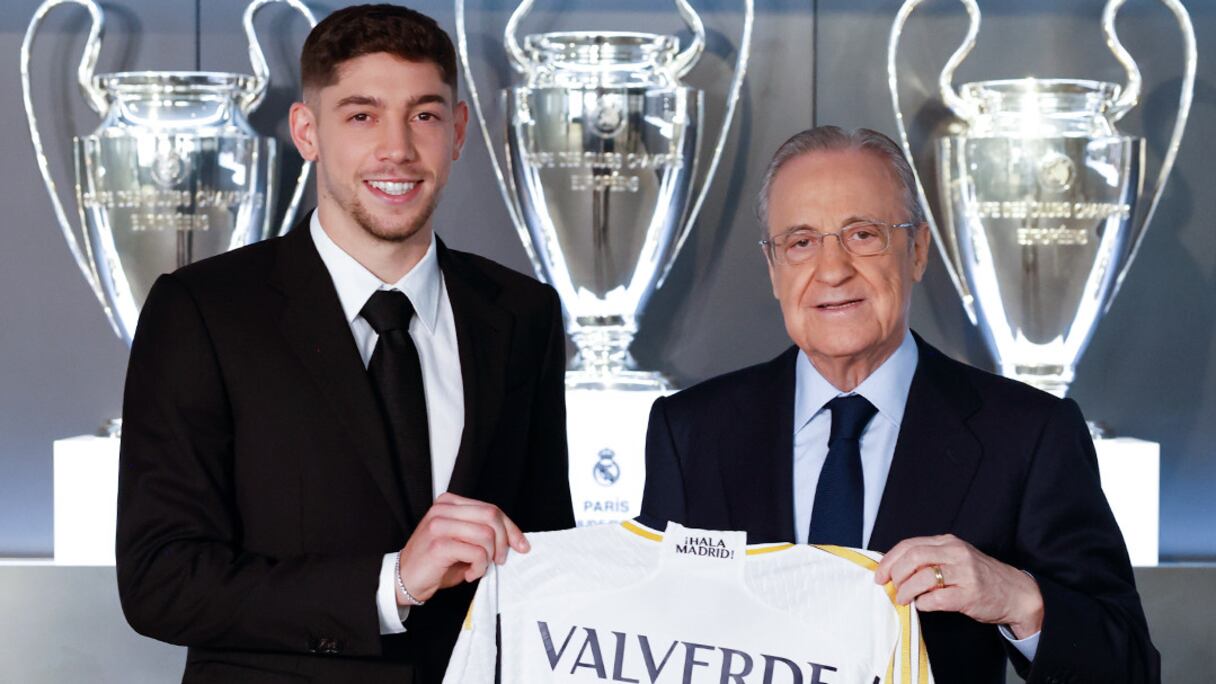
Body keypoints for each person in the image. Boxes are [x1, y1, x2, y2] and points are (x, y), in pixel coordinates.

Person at [115, 5, 573, 683]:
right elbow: (162, 580)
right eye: (361, 115)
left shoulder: (522, 312)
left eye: (424, 114)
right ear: (307, 131)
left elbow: (547, 551)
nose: (397, 149)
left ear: (459, 131)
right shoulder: (203, 313)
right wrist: (390, 586)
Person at [639, 125, 1158, 683]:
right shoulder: (690, 430)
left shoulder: (1029, 434)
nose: (832, 270)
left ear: (918, 251)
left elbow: (1128, 667)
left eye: (863, 235)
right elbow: (642, 638)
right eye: (801, 242)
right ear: (773, 270)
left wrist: (1020, 600)